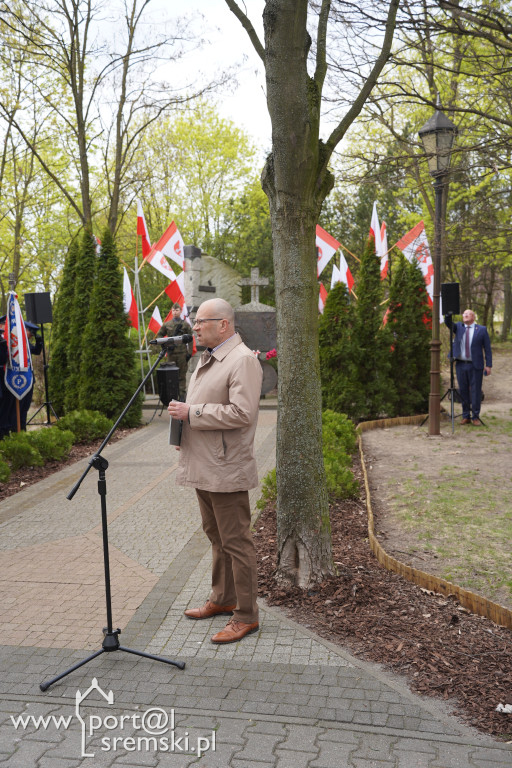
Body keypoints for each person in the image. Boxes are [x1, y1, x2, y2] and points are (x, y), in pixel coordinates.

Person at [168, 298, 263, 644]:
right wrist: (184, 430)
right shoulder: (205, 359)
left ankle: (247, 615)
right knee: (216, 536)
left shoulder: (242, 361)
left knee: (236, 542)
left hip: (225, 468)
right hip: (204, 462)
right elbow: (200, 410)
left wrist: (191, 413)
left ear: (224, 324)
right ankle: (223, 600)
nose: (194, 327)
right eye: (195, 322)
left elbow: (241, 413)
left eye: (201, 322)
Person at [445, 308, 492, 426]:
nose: (464, 315)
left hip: (475, 365)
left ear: (473, 317)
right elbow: (448, 323)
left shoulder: (481, 330)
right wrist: (448, 314)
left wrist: (489, 365)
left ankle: (475, 416)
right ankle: (466, 416)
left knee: (476, 391)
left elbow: (487, 349)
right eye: (463, 314)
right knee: (463, 390)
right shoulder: (459, 327)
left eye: (467, 314)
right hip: (461, 364)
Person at [157, 303, 191, 397]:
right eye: (173, 310)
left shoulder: (185, 324)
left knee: (181, 376)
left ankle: (182, 397)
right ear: (171, 312)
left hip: (182, 354)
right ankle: (172, 396)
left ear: (180, 311)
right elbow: (159, 335)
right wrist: (165, 345)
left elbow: (190, 338)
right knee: (170, 375)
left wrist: (190, 353)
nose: (175, 312)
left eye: (177, 310)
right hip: (171, 354)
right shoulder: (167, 324)